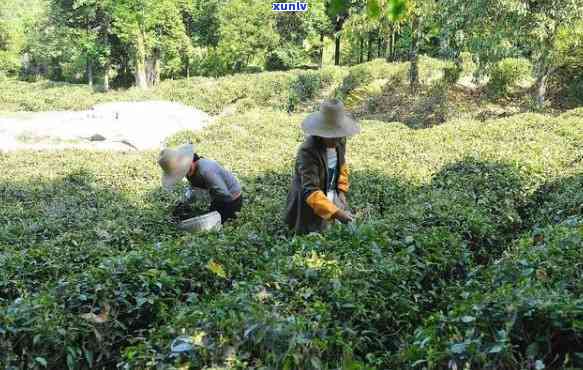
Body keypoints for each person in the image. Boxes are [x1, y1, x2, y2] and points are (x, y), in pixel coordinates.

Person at [285, 99, 361, 234]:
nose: (336, 141)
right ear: (321, 133)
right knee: (310, 234)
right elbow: (311, 191)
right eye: (332, 137)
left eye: (338, 136)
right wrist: (337, 213)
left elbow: (342, 165)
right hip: (308, 201)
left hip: (329, 189)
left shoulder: (340, 141)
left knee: (331, 231)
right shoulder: (308, 151)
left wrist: (341, 191)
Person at [158, 144, 242, 223]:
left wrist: (207, 202)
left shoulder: (206, 171)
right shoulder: (190, 171)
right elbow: (194, 190)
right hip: (217, 198)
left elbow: (224, 195)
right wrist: (185, 204)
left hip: (231, 200)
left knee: (215, 225)